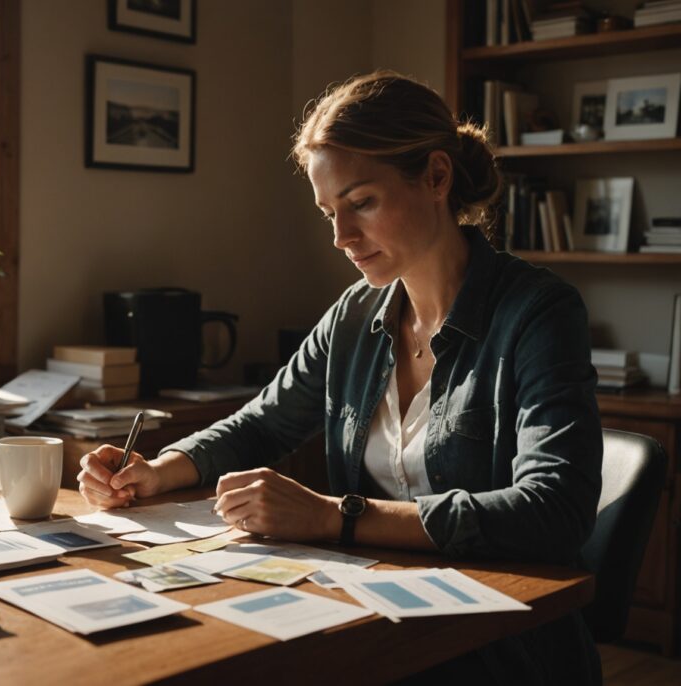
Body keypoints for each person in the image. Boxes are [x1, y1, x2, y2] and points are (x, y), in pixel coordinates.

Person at [77, 71, 602, 684]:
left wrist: (336, 516)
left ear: (437, 176)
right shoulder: (355, 314)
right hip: (374, 620)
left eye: (362, 203)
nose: (340, 237)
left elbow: (553, 510)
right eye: (330, 211)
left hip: (495, 645)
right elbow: (262, 424)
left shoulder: (538, 313)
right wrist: (158, 470)